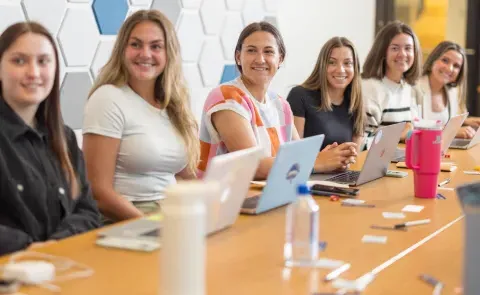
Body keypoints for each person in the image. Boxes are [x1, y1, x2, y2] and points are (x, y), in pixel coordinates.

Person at [198, 22, 357, 180]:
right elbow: (254, 167)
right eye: (251, 50)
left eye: (268, 52)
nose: (260, 59)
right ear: (238, 57)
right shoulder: (225, 97)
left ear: (280, 59)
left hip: (266, 195)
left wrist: (330, 158)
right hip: (219, 200)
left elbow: (299, 156)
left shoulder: (280, 105)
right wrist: (317, 161)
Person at [82, 10, 199, 222]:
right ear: (122, 50)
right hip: (128, 219)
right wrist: (150, 227)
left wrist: (216, 200)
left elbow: (185, 174)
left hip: (171, 211)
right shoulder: (108, 99)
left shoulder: (172, 104)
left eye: (155, 46)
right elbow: (99, 193)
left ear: (168, 53)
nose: (145, 54)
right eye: (135, 44)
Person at [0, 22, 101, 255]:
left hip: (61, 267)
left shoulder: (64, 138)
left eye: (43, 61)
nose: (33, 73)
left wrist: (56, 245)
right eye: (19, 61)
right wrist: (27, 248)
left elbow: (87, 212)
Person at [286, 37, 365, 151]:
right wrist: (323, 160)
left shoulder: (354, 102)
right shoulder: (299, 95)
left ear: (355, 68)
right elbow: (293, 154)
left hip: (344, 169)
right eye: (332, 62)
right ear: (322, 66)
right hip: (311, 169)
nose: (340, 70)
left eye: (347, 63)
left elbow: (354, 155)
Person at [362, 20, 422, 142]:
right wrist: (397, 135)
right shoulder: (370, 88)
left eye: (408, 48)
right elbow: (362, 143)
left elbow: (411, 130)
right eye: (395, 48)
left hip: (403, 157)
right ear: (383, 52)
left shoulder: (408, 87)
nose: (402, 54)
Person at [416, 41, 479, 138]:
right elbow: (414, 127)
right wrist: (451, 131)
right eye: (445, 60)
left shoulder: (452, 92)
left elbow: (444, 121)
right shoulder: (415, 88)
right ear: (433, 60)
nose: (449, 68)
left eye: (456, 66)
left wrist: (465, 121)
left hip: (443, 150)